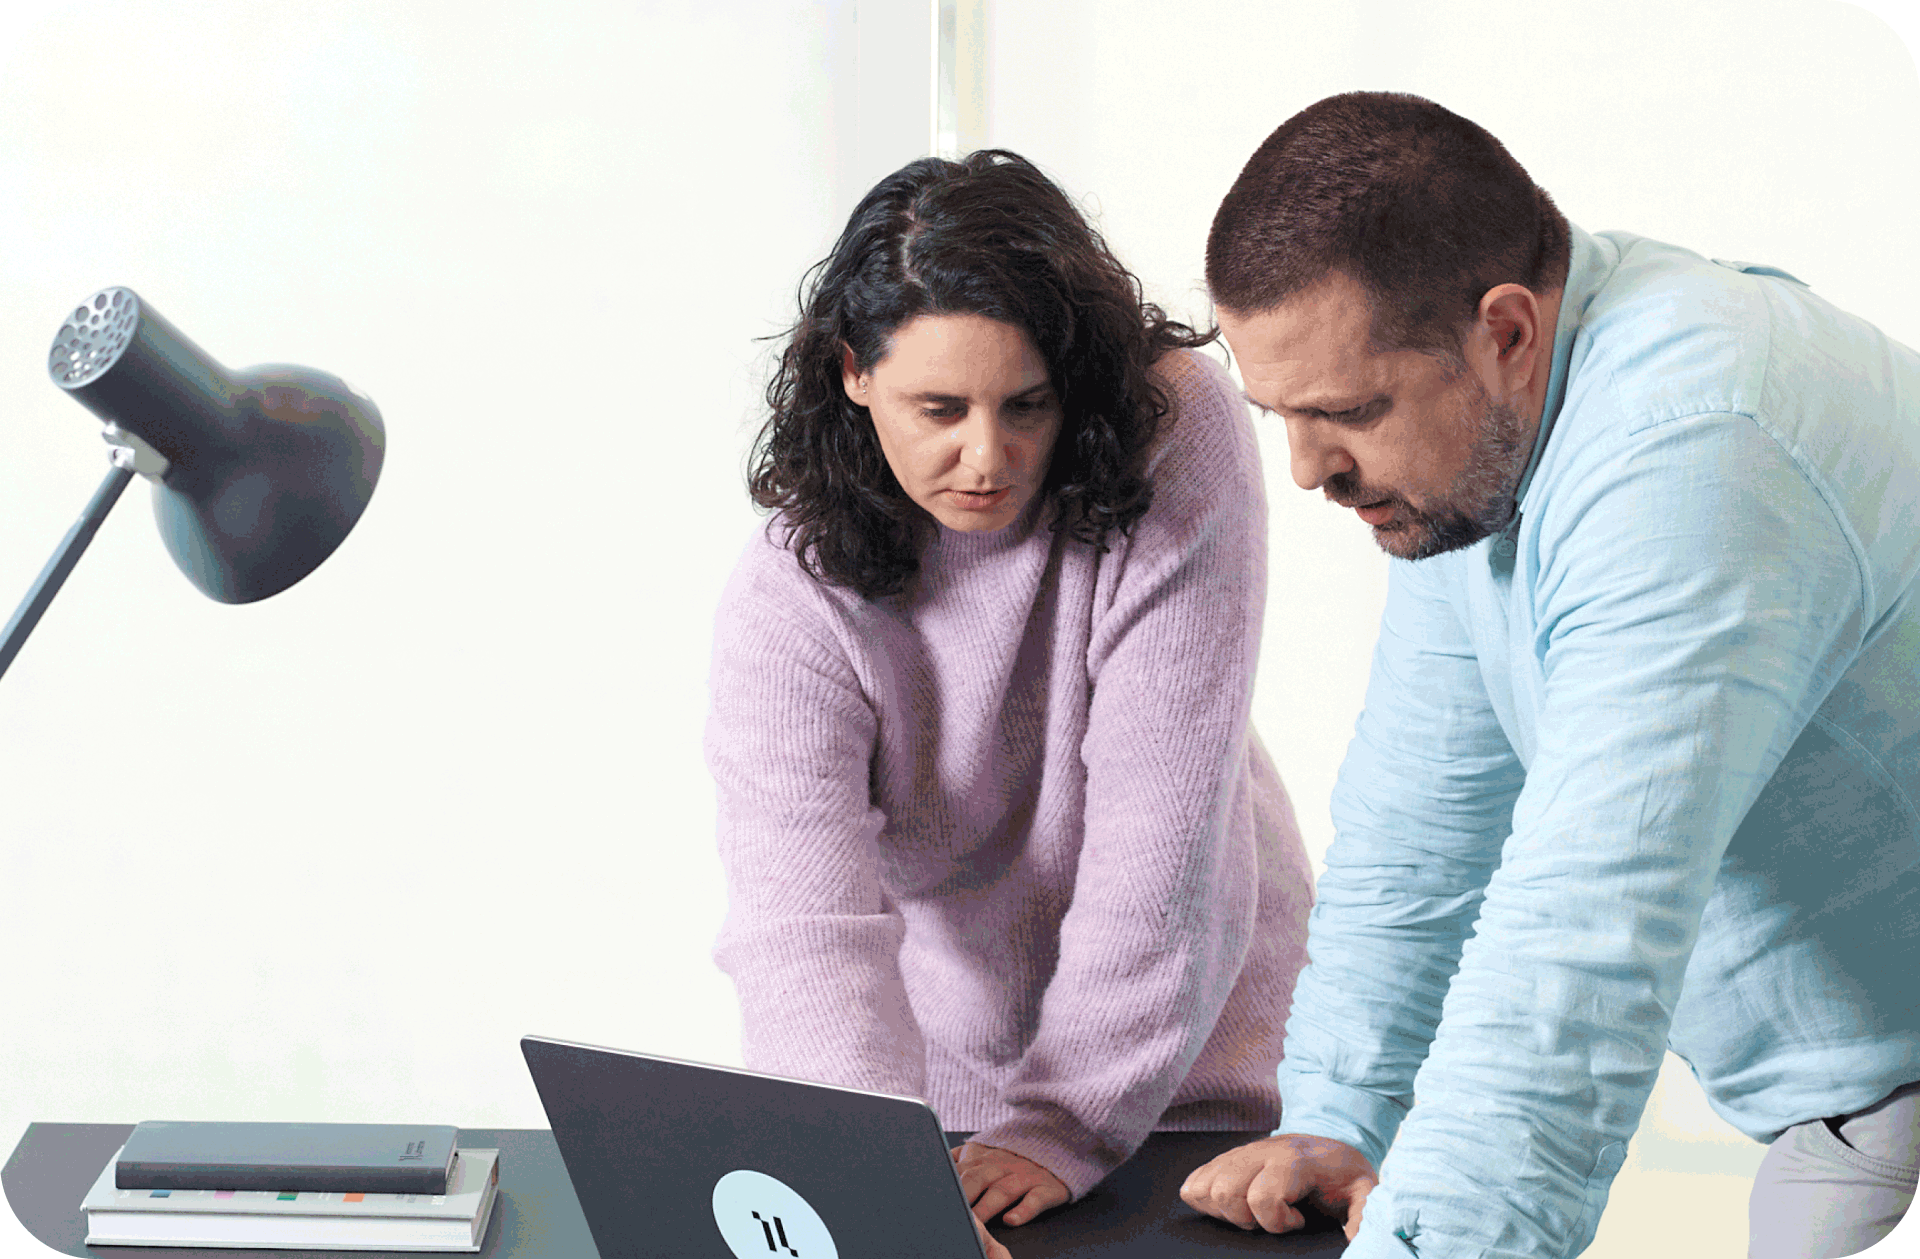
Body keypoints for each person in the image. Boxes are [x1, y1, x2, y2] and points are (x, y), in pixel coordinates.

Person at [1180, 91, 1920, 1259]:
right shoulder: (1478, 450)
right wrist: (1335, 1116)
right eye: (1282, 414)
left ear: (1506, 330)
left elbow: (1575, 943)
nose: (1309, 468)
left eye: (1347, 412)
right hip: (1848, 1098)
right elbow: (1420, 827)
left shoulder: (1693, 452)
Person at [705, 150, 1316, 1258]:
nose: (985, 458)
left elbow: (1162, 835)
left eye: (1027, 405)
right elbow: (806, 933)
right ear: (853, 371)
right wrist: (868, 1192)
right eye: (939, 408)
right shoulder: (789, 597)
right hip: (960, 1120)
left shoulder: (1172, 429)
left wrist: (1067, 1119)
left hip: (1208, 1096)